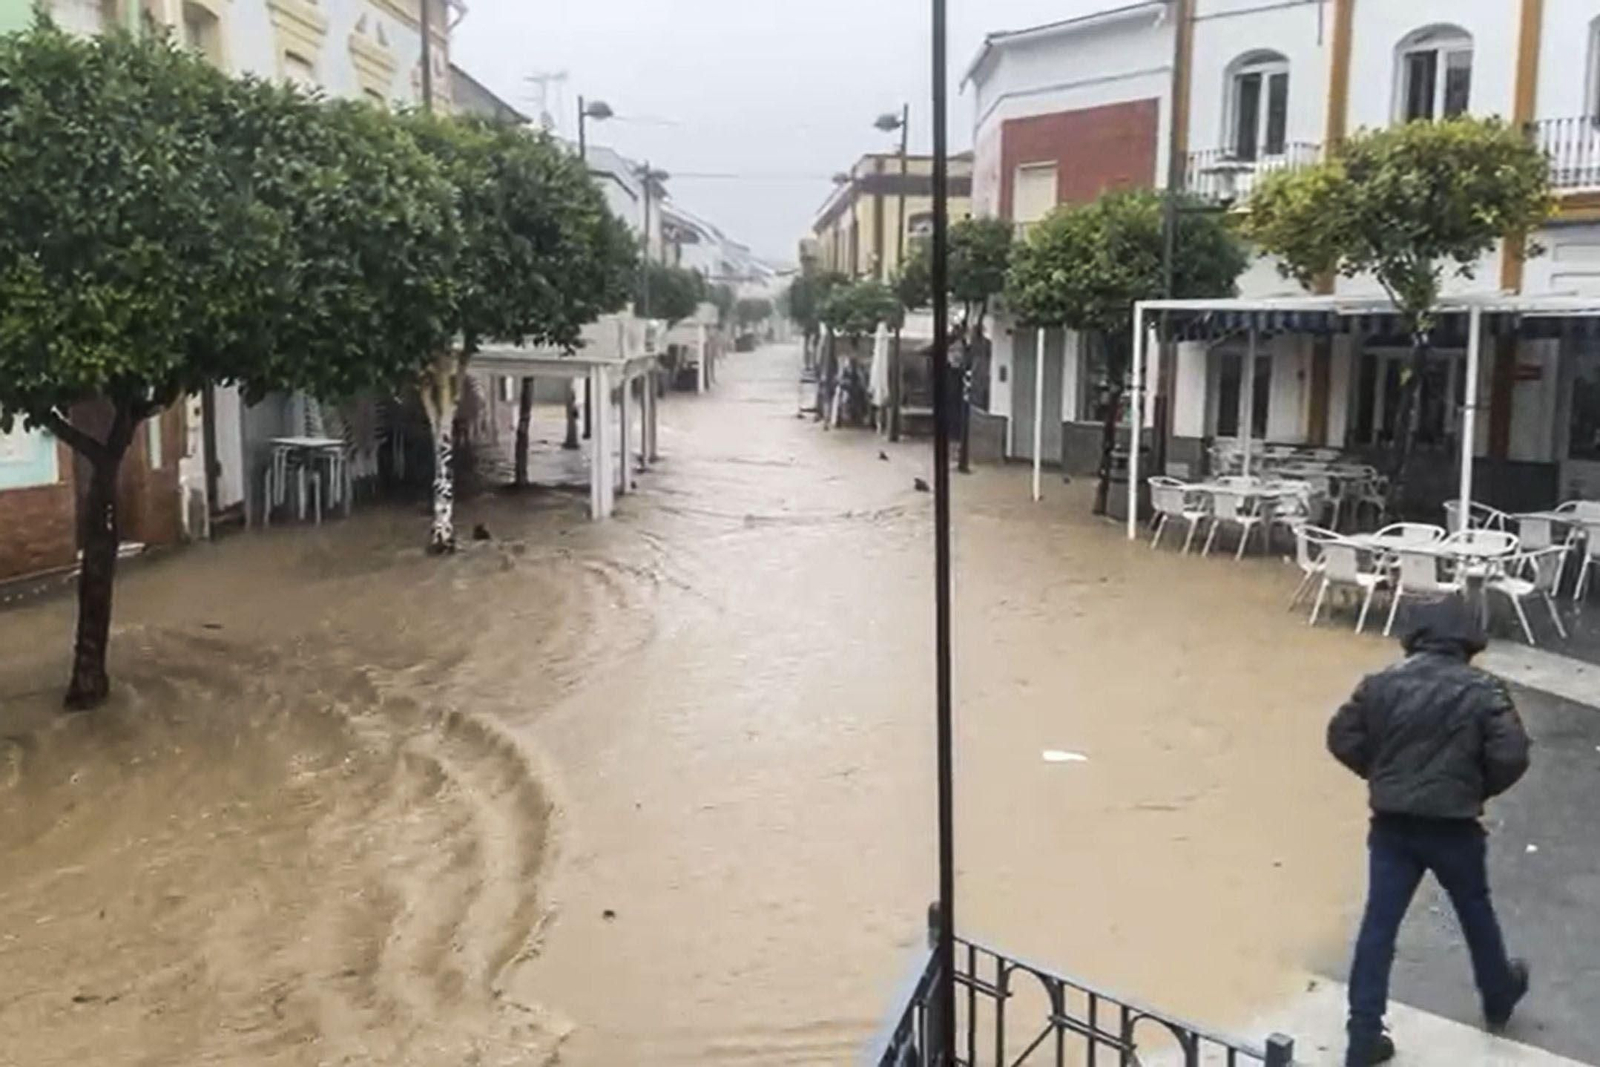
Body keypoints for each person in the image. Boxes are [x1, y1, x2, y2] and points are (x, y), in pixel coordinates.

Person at [1327, 596, 1531, 1066]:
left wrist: (1383, 777)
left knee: (1379, 925)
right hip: (1455, 826)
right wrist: (1473, 788)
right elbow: (1512, 755)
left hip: (1393, 826)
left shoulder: (1380, 685)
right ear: (1468, 640)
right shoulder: (1485, 691)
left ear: (1416, 635)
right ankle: (1498, 995)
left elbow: (1341, 737)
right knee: (1475, 911)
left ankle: (1362, 1034)